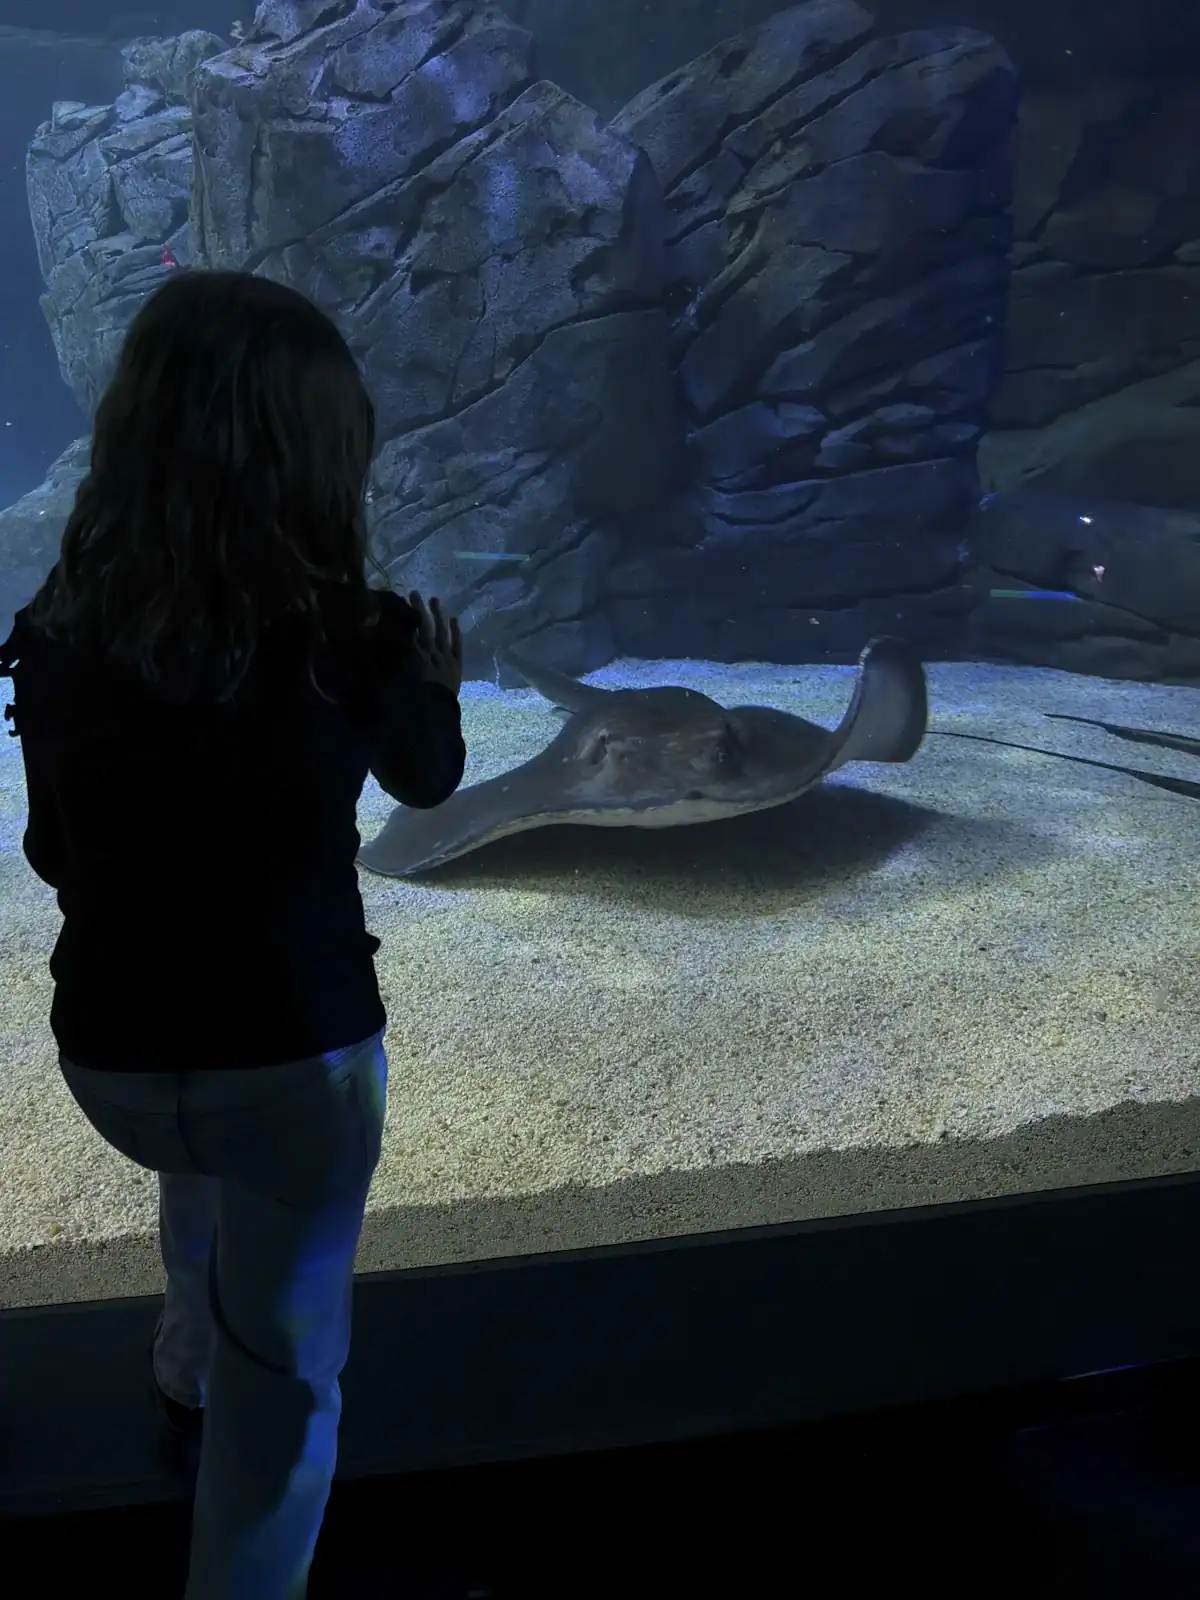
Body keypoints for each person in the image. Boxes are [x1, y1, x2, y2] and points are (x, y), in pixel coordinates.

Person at [0, 269, 467, 1599]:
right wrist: (427, 687)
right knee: (292, 1369)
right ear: (324, 450)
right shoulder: (356, 631)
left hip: (117, 1066)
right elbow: (427, 784)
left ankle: (182, 1359)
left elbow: (44, 852)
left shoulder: (57, 625)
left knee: (203, 1150)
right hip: (292, 1074)